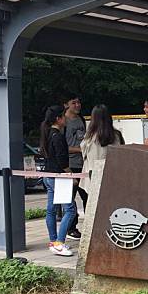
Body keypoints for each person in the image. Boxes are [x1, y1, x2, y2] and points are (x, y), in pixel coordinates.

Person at [39, 105, 77, 257]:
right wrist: (71, 175)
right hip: (59, 177)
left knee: (51, 210)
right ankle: (59, 243)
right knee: (70, 209)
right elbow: (62, 160)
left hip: (48, 176)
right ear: (58, 119)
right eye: (63, 116)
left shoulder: (47, 134)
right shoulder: (58, 136)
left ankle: (53, 241)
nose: (66, 118)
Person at [80, 105, 124, 194]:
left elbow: (84, 154)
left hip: (93, 176)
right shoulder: (117, 135)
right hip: (113, 176)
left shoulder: (90, 138)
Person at [63, 94, 87, 240]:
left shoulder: (81, 119)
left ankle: (89, 224)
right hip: (70, 165)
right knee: (69, 199)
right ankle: (70, 228)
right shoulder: (63, 121)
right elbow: (62, 147)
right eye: (74, 103)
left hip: (83, 164)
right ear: (66, 104)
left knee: (87, 195)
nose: (77, 105)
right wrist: (79, 150)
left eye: (78, 102)